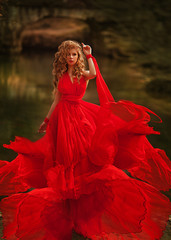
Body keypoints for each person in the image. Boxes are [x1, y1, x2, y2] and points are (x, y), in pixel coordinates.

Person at [0, 40, 171, 240]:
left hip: (80, 118)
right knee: (64, 162)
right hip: (61, 120)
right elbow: (56, 99)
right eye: (68, 55)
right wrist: (47, 120)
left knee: (84, 161)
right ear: (62, 57)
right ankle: (68, 211)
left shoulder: (83, 74)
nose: (71, 57)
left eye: (74, 54)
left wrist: (89, 54)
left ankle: (87, 214)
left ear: (77, 56)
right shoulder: (60, 74)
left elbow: (95, 74)